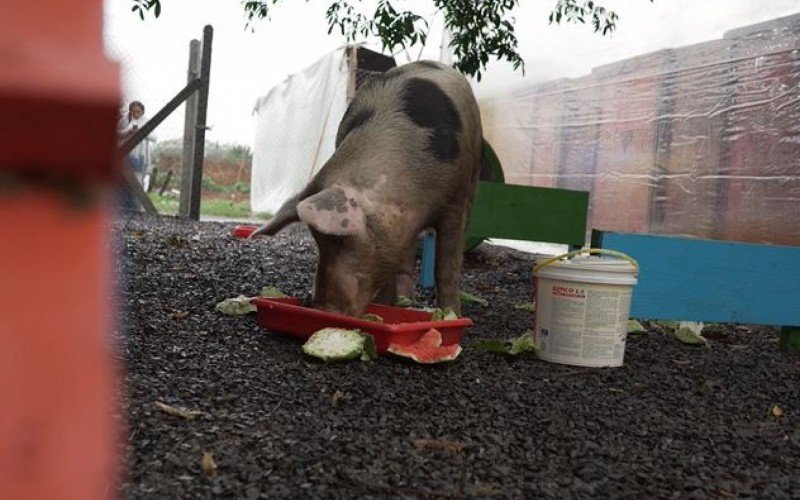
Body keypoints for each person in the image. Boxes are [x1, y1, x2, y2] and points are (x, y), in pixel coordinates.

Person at [117, 101, 148, 210]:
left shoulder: (145, 121)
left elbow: (153, 136)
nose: (136, 114)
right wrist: (129, 131)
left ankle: (136, 208)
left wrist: (142, 132)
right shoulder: (124, 121)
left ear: (142, 112)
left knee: (137, 182)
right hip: (126, 155)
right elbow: (118, 134)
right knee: (123, 182)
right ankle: (126, 208)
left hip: (139, 156)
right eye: (133, 111)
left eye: (138, 112)